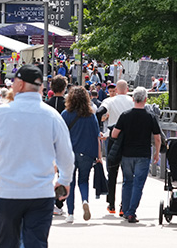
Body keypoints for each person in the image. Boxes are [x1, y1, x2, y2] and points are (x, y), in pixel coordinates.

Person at [0, 64, 75, 248]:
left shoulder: (2, 113)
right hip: (41, 192)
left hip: (9, 192)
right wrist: (64, 180)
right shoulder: (52, 115)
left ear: (19, 84)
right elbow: (66, 154)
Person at [111, 86, 161, 223]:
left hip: (126, 154)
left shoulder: (125, 115)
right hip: (143, 154)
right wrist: (156, 152)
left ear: (133, 99)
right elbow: (157, 137)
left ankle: (126, 210)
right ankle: (132, 212)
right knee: (138, 184)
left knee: (127, 182)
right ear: (146, 99)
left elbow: (114, 134)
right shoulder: (150, 117)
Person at [61, 85, 101, 223]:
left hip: (69, 153)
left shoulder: (65, 114)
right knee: (83, 180)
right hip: (87, 153)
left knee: (69, 182)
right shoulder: (91, 116)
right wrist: (99, 156)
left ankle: (70, 213)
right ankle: (85, 200)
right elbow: (97, 136)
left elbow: (60, 136)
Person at [99, 80, 132, 214]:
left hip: (113, 137)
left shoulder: (110, 101)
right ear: (127, 89)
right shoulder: (132, 101)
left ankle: (111, 204)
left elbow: (101, 111)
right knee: (127, 175)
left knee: (112, 173)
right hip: (129, 139)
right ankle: (124, 206)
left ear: (117, 90)